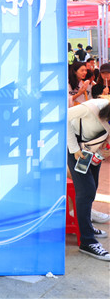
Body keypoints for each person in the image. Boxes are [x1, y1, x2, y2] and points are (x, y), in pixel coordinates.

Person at [67, 98, 110, 261]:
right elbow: (64, 117)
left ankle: (87, 228)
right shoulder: (92, 107)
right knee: (86, 191)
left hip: (93, 152)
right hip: (77, 150)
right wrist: (74, 149)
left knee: (92, 188)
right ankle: (87, 241)